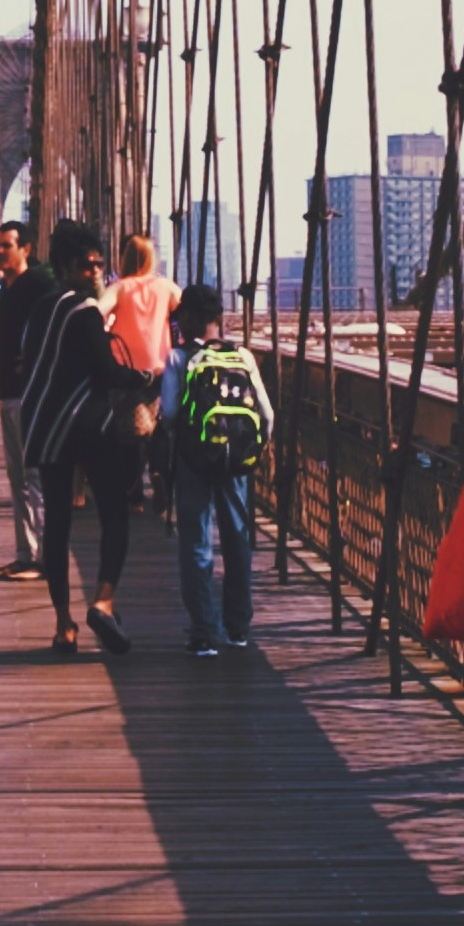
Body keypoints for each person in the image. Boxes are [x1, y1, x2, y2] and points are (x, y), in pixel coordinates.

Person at [22, 215, 142, 656]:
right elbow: (106, 371)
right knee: (115, 513)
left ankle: (62, 626)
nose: (96, 273)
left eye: (99, 265)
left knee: (57, 524)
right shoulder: (86, 310)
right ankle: (104, 602)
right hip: (91, 423)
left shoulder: (40, 309)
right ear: (69, 267)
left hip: (48, 426)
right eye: (89, 266)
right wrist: (143, 376)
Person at [169, 282, 273, 660]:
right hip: (236, 463)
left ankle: (203, 633)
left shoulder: (180, 359)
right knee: (237, 539)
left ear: (189, 318)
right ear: (219, 319)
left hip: (193, 460)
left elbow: (167, 413)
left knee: (196, 541)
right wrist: (250, 449)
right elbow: (267, 414)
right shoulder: (241, 355)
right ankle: (239, 628)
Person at [0, 218, 48, 563]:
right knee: (17, 477)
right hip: (9, 393)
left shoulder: (37, 285)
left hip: (29, 394)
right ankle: (26, 553)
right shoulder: (5, 289)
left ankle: (42, 556)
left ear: (25, 249)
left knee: (34, 476)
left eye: (6, 246)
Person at [110, 227, 178, 519]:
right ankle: (161, 473)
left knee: (129, 436)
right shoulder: (165, 286)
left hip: (126, 371)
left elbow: (97, 310)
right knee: (160, 429)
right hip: (162, 368)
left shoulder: (120, 287)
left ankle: (134, 495)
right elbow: (188, 306)